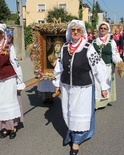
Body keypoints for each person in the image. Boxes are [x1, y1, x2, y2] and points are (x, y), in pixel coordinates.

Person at [52, 20, 109, 155]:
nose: (76, 32)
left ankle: (76, 142)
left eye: (78, 30)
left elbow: (99, 67)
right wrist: (56, 84)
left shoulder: (88, 47)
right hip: (67, 86)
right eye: (73, 30)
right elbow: (59, 67)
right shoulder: (65, 48)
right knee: (69, 112)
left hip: (84, 87)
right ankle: (72, 134)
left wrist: (104, 86)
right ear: (70, 32)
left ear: (82, 32)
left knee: (80, 115)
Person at [92, 21, 124, 109]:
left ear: (108, 30)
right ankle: (96, 102)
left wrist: (120, 64)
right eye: (101, 28)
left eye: (105, 28)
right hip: (96, 68)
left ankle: (103, 102)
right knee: (97, 85)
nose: (103, 30)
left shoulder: (111, 42)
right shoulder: (94, 42)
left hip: (107, 67)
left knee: (105, 84)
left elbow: (115, 55)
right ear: (99, 29)